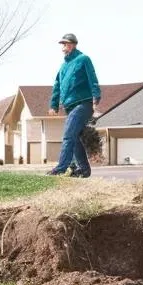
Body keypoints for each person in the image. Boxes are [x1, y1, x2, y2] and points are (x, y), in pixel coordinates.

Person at [48, 33, 102, 178]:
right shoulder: (63, 66)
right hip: (69, 106)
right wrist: (54, 105)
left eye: (65, 44)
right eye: (62, 45)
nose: (63, 47)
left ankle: (62, 167)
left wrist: (96, 96)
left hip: (83, 104)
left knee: (68, 135)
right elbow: (57, 86)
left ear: (72, 44)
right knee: (75, 137)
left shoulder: (83, 59)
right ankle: (83, 170)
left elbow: (92, 77)